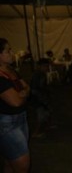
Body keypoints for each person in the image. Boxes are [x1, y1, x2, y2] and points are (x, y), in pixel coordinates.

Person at [0, 38, 30, 173]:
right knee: (22, 165)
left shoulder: (10, 70)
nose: (12, 53)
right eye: (8, 50)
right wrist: (23, 94)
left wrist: (22, 94)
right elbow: (15, 102)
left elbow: (27, 87)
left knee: (10, 162)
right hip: (7, 123)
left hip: (20, 119)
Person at [30, 58, 52, 137]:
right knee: (40, 116)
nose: (47, 68)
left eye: (47, 66)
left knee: (48, 112)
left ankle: (48, 126)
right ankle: (35, 133)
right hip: (38, 100)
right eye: (45, 66)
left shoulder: (42, 74)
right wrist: (42, 100)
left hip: (42, 98)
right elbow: (34, 90)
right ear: (40, 66)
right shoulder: (37, 75)